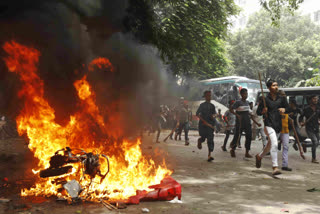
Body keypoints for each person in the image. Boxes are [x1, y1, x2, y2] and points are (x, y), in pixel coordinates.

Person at [255, 79, 290, 175]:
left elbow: (289, 108)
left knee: (269, 145)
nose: (276, 87)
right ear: (269, 87)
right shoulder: (264, 99)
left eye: (277, 85)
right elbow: (258, 112)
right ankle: (275, 167)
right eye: (274, 85)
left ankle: (259, 156)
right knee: (274, 144)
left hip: (278, 125)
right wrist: (263, 111)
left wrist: (284, 109)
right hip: (268, 125)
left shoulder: (282, 98)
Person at [230, 88, 260, 158]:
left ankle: (247, 152)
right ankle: (233, 149)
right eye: (244, 94)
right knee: (237, 135)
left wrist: (251, 114)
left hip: (247, 120)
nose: (246, 95)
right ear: (241, 94)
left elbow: (248, 111)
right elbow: (231, 109)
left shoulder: (247, 102)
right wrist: (237, 115)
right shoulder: (238, 102)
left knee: (249, 135)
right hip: (240, 121)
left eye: (246, 94)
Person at [196, 90, 217, 162]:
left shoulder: (212, 106)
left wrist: (213, 117)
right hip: (202, 125)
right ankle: (200, 141)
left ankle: (209, 155)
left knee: (210, 139)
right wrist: (203, 121)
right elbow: (197, 114)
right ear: (205, 97)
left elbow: (214, 114)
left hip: (210, 125)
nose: (209, 97)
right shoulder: (202, 105)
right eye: (207, 95)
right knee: (203, 138)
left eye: (210, 95)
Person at [300, 95, 320, 163]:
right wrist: (301, 122)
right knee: (315, 141)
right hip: (309, 128)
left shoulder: (318, 108)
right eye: (314, 98)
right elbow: (301, 117)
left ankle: (305, 145)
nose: (316, 100)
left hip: (316, 127)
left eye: (316, 99)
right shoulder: (306, 109)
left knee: (317, 142)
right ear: (310, 99)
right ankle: (313, 158)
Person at [278, 90, 292, 171]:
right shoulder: (276, 105)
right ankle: (260, 156)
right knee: (272, 146)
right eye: (282, 95)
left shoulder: (286, 106)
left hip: (285, 129)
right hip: (276, 128)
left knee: (286, 146)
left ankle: (284, 165)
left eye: (284, 95)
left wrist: (290, 119)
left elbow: (286, 114)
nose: (284, 96)